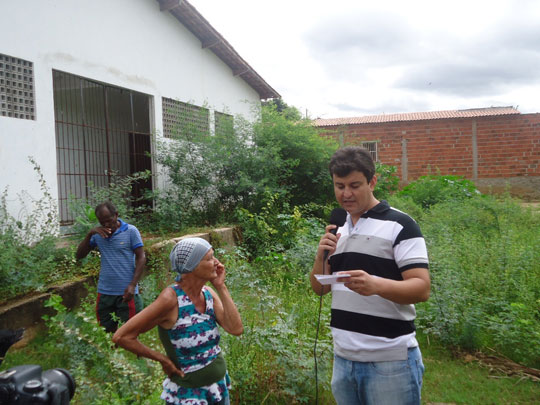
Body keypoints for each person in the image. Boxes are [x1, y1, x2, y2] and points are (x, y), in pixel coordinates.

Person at [309, 146, 430, 405]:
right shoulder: (337, 227)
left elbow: (421, 288)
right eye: (339, 186)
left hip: (389, 361)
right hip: (343, 359)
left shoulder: (401, 225)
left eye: (354, 185)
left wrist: (375, 285)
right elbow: (320, 289)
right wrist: (321, 255)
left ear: (372, 181)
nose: (346, 194)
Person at [113, 237, 243, 405]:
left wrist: (221, 286)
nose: (216, 262)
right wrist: (163, 360)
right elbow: (122, 336)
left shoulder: (208, 293)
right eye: (210, 258)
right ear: (192, 265)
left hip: (218, 389)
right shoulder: (171, 299)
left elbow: (236, 329)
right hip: (189, 396)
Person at [76, 201, 146, 333]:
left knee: (132, 330)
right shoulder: (98, 235)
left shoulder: (131, 231)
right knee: (105, 331)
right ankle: (110, 352)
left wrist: (133, 284)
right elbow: (79, 255)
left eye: (109, 220)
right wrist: (90, 234)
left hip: (126, 291)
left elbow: (141, 257)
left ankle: (135, 353)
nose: (107, 225)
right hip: (105, 291)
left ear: (116, 215)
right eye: (103, 222)